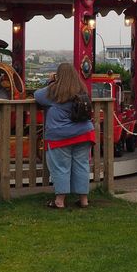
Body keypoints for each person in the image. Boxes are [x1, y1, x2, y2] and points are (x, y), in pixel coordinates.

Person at [34, 63, 95, 209]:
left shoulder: (53, 90)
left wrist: (51, 82)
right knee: (82, 166)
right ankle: (83, 200)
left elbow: (37, 96)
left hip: (60, 137)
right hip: (84, 133)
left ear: (58, 75)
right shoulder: (82, 89)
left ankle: (60, 201)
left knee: (61, 167)